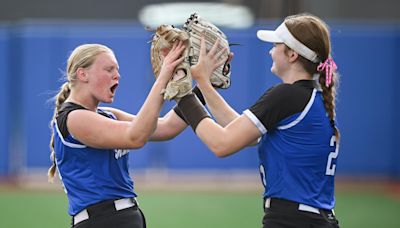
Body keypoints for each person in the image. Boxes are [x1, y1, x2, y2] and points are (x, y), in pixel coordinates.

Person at [177, 13, 340, 228]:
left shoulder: (286, 95)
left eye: (276, 45)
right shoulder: (312, 97)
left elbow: (221, 143)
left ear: (292, 55)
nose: (271, 51)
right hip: (313, 219)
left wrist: (181, 91)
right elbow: (243, 133)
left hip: (292, 220)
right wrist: (204, 85)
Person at [48, 42, 191, 228]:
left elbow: (167, 127)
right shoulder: (74, 118)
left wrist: (204, 84)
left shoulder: (107, 115)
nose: (117, 75)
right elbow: (135, 137)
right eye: (109, 69)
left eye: (117, 69)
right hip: (102, 221)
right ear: (82, 74)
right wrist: (163, 78)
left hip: (122, 217)